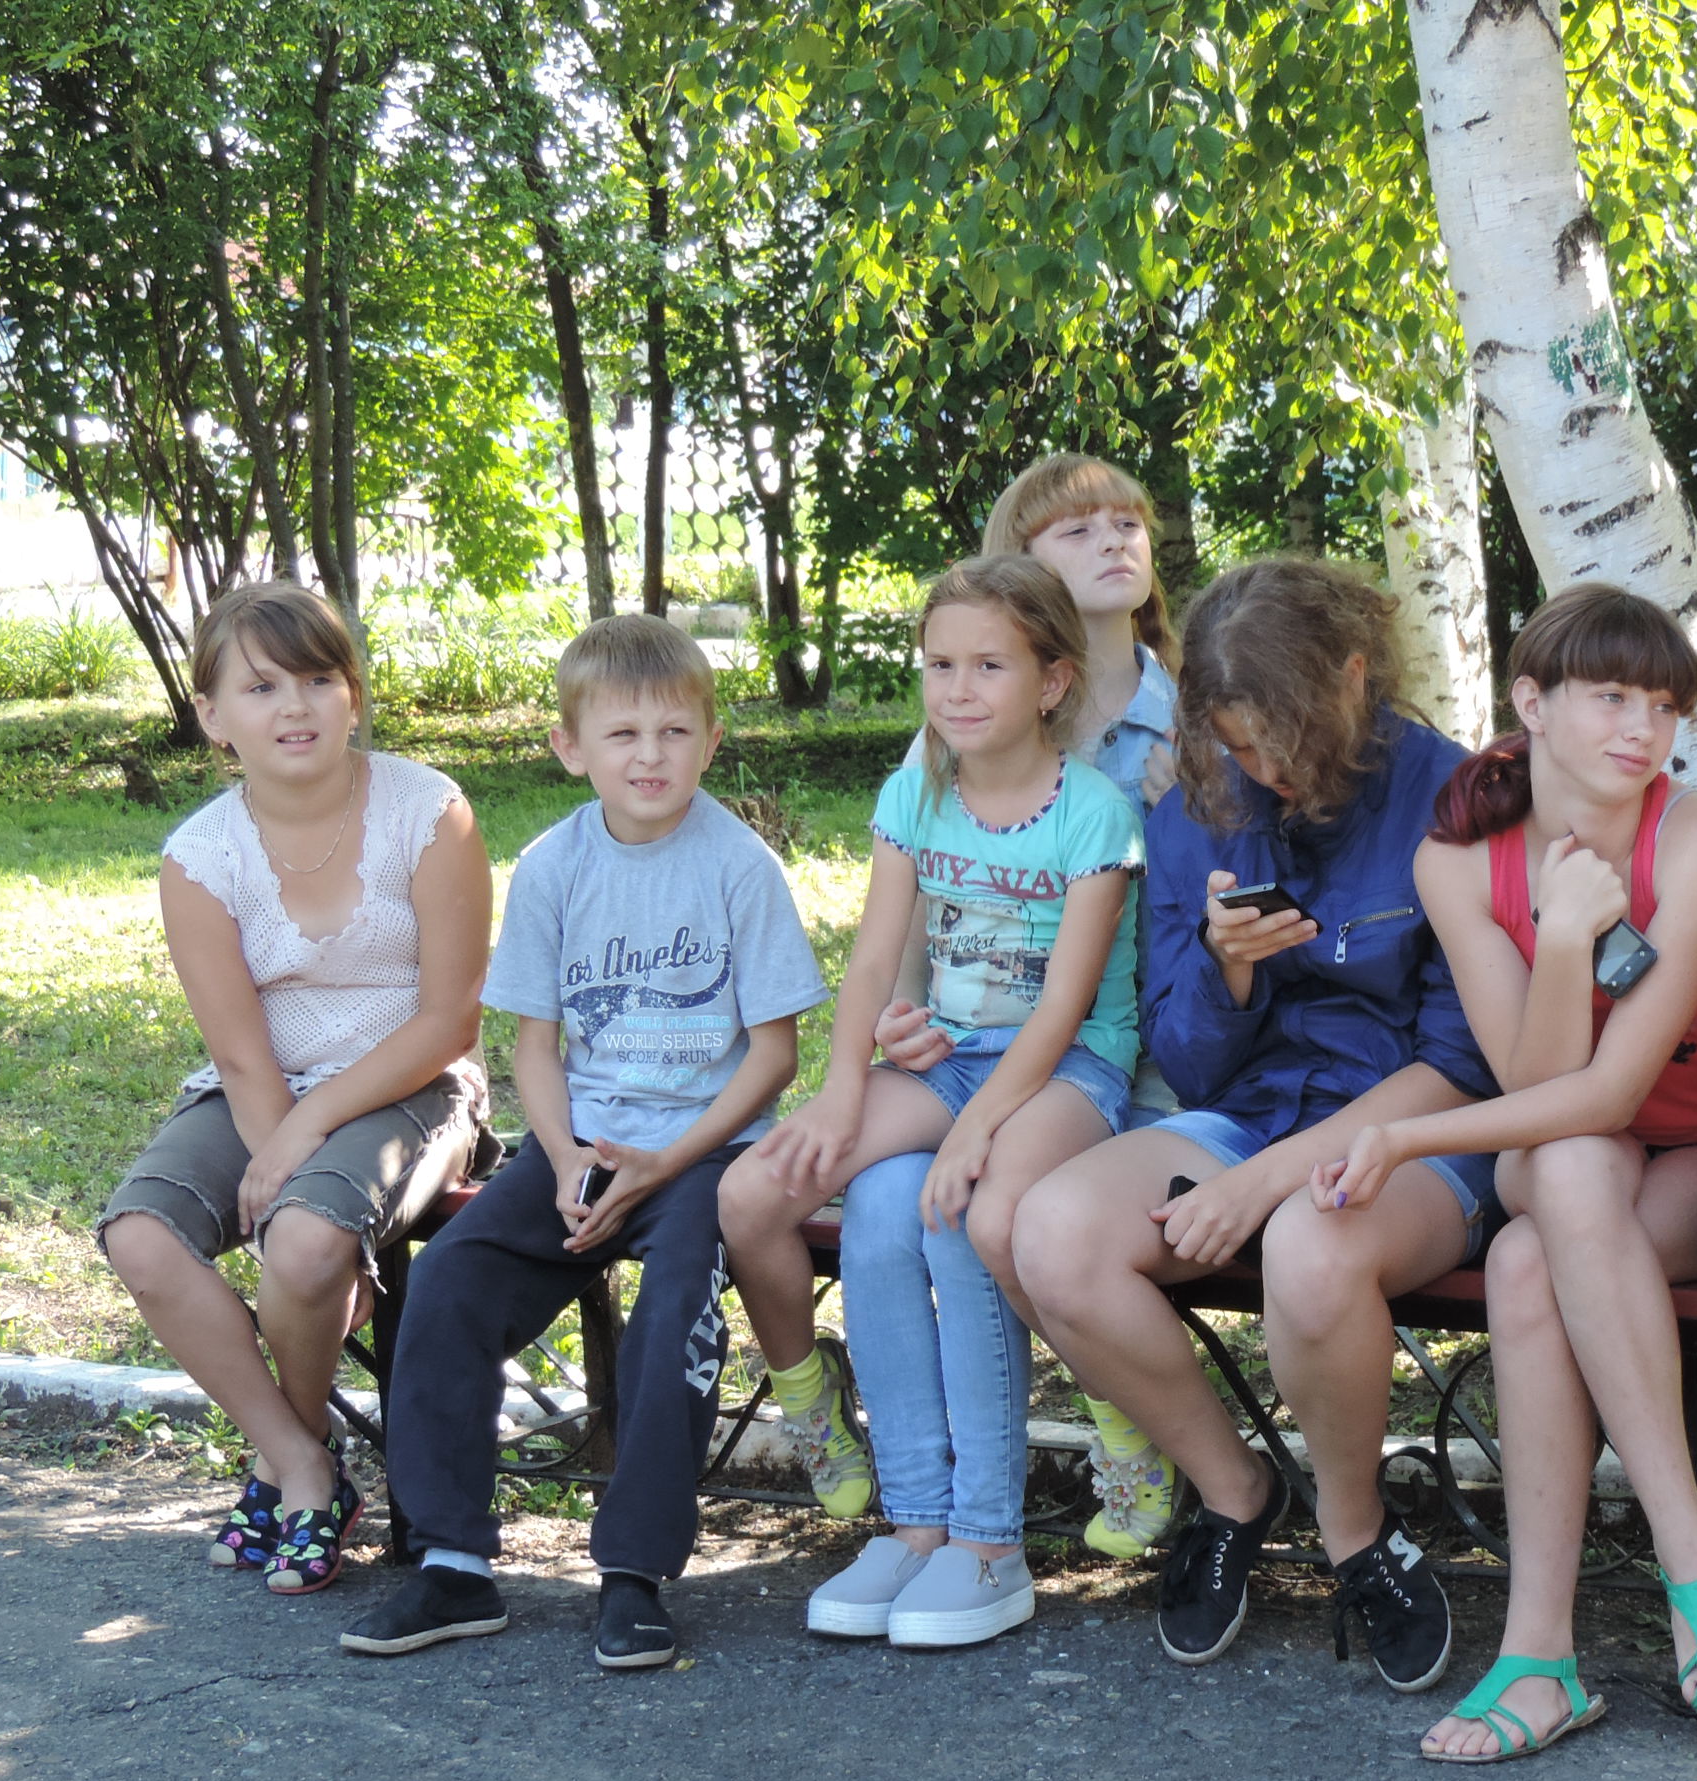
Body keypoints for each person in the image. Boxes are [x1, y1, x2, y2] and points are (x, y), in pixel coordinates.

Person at [1011, 558, 1495, 1691]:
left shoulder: (1453, 800)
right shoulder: (1201, 805)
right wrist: (1228, 971)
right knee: (1050, 1234)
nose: (1268, 774)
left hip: (1419, 1132)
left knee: (1311, 1248)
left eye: (1288, 745)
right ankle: (1235, 1490)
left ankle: (1356, 1532)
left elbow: (1465, 1067)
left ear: (1355, 678)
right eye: (1242, 746)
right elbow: (1186, 1060)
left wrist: (1268, 1183)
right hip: (1254, 1113)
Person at [1305, 585, 1697, 1760]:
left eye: (1662, 706)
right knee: (1563, 1174)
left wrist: (1406, 1138)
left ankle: (1541, 1654)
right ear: (1532, 702)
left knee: (1526, 1266)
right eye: (1610, 697)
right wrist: (1563, 933)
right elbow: (1532, 1078)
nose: (1642, 729)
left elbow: (1610, 1095)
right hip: (1563, 1150)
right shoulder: (1459, 864)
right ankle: (1696, 1583)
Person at [339, 614, 827, 1666]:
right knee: (451, 1278)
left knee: (675, 1307)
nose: (650, 756)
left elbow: (775, 1058)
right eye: (623, 734)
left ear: (711, 741)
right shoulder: (555, 864)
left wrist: (670, 1161)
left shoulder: (737, 867)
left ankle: (636, 1572)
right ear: (572, 748)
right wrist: (562, 1158)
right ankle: (452, 1564)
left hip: (705, 1154)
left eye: (674, 732)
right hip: (582, 1149)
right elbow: (536, 1046)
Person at [722, 556, 1141, 1651]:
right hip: (946, 1060)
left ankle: (993, 1540)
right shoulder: (915, 793)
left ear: (1051, 683)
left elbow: (1065, 1010)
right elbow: (871, 963)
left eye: (989, 666)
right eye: (940, 664)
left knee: (956, 1209)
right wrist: (841, 1090)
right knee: (806, 1195)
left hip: (1066, 1071)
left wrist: (974, 1132)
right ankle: (910, 1520)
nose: (958, 689)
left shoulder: (1095, 813)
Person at [98, 581, 491, 1598]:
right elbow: (239, 1056)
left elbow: (450, 1020)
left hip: (413, 1086)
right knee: (141, 1236)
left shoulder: (429, 812)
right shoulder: (199, 856)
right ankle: (302, 1462)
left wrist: (302, 1146)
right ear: (213, 716)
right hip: (257, 1088)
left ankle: (290, 1474)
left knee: (306, 1243)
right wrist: (280, 1143)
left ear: (353, 694)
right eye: (262, 686)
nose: (296, 706)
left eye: (319, 679)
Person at [859, 454, 1187, 1563]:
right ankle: (921, 1513)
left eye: (1127, 522)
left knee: (987, 1210)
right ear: (1021, 565)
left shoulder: (1187, 724)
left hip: (1130, 1069)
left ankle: (1115, 1420)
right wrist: (902, 1013)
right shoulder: (961, 721)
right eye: (1075, 529)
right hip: (978, 1055)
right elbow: (916, 917)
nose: (1112, 541)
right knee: (889, 1200)